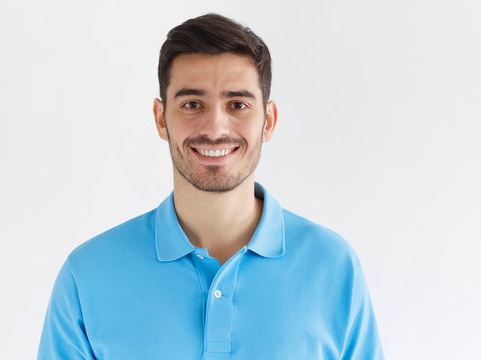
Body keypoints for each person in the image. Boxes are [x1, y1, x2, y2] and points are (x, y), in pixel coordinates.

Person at [38, 13, 384, 359]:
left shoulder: (333, 267)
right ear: (161, 119)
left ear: (269, 120)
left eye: (238, 104)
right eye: (192, 104)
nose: (215, 127)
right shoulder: (88, 276)